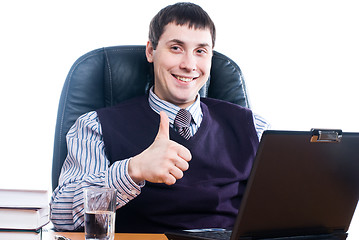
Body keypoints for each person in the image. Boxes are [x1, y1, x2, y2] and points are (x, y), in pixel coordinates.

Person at [50, 2, 269, 233]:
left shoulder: (255, 128)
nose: (189, 65)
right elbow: (61, 215)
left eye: (200, 51)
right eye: (176, 48)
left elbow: (282, 211)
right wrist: (132, 170)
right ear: (150, 51)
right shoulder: (96, 126)